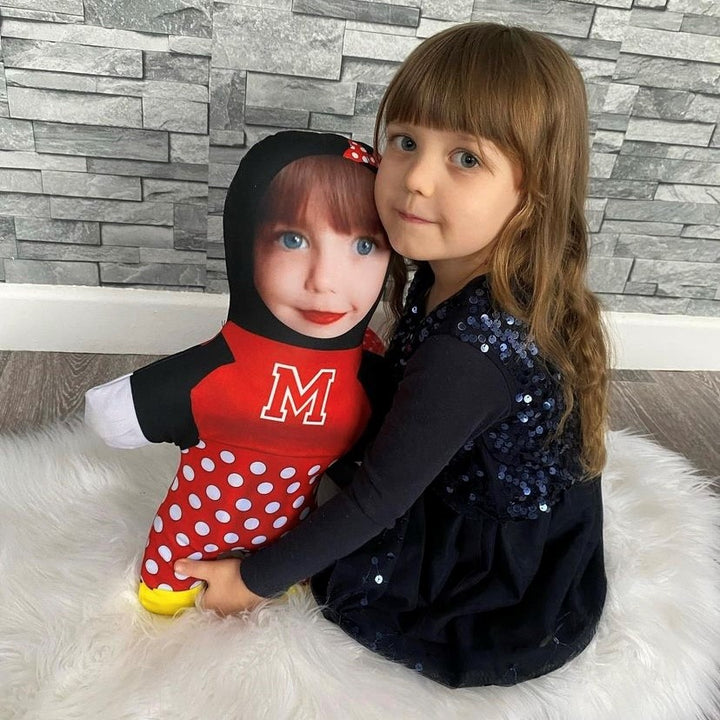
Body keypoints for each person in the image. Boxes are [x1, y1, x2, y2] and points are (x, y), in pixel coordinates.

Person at [174, 23, 610, 688]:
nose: (415, 181)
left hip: (487, 568)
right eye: (405, 142)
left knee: (351, 543)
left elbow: (377, 501)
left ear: (534, 189)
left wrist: (254, 580)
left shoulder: (468, 354)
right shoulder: (465, 266)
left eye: (466, 159)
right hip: (488, 463)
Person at [85, 131, 398, 616]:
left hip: (289, 554)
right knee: (159, 612)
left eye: (362, 245)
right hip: (185, 548)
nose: (325, 281)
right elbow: (111, 418)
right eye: (293, 240)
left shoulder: (367, 379)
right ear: (245, 239)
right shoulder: (215, 372)